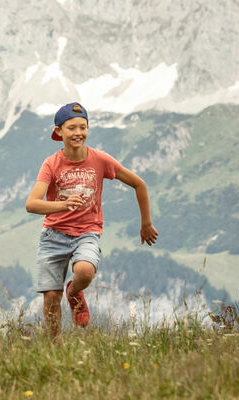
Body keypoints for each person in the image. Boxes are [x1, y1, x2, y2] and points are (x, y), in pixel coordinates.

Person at [25, 102, 159, 337]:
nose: (78, 133)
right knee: (51, 297)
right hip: (53, 235)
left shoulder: (100, 160)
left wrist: (146, 223)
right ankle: (54, 348)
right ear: (58, 132)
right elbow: (32, 204)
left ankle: (75, 292)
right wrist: (62, 205)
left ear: (88, 129)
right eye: (71, 128)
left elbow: (139, 184)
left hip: (87, 233)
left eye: (83, 127)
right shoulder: (51, 163)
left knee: (85, 271)